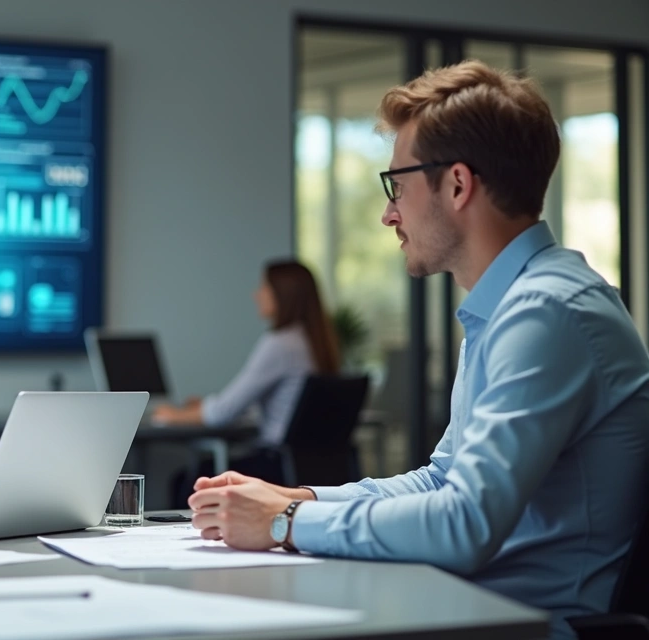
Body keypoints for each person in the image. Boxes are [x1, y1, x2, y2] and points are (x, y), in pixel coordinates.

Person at [187, 60, 649, 639]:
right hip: (464, 608)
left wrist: (285, 522)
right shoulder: (507, 308)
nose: (388, 213)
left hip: (517, 625)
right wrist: (297, 496)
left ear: (457, 184)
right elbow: (443, 480)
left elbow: (465, 523)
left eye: (397, 186)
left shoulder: (547, 311)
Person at [152, 260, 340, 445]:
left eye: (264, 287)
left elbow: (223, 413)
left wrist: (173, 415)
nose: (256, 295)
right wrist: (206, 407)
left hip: (274, 464)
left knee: (185, 476)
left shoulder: (279, 344)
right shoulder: (312, 342)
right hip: (307, 467)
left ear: (283, 295)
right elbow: (274, 407)